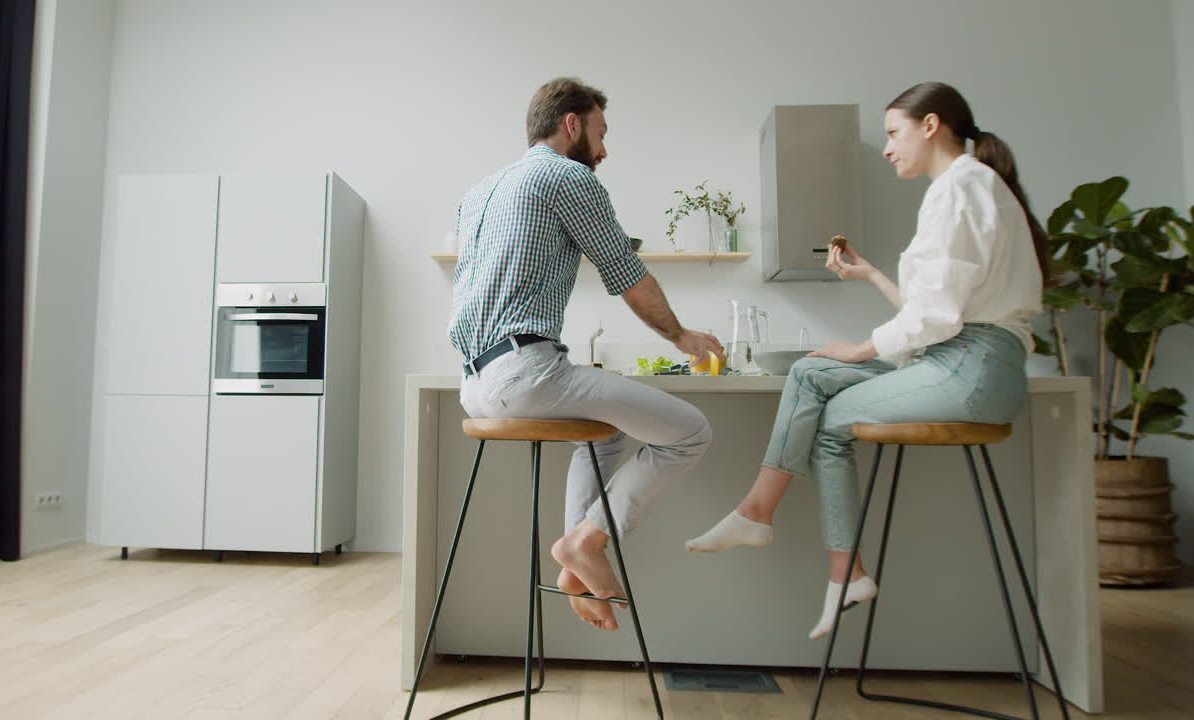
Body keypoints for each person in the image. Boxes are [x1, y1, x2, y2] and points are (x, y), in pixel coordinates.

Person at [686, 81, 1049, 640]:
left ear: (930, 126)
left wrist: (859, 348)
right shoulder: (973, 185)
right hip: (963, 360)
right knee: (812, 377)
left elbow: (939, 316)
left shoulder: (959, 186)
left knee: (827, 415)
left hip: (970, 367)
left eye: (893, 133)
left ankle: (780, 529)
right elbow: (940, 309)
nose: (886, 148)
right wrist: (874, 275)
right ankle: (818, 556)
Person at [449, 77, 725, 632]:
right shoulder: (567, 176)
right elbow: (626, 274)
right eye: (600, 133)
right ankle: (584, 543)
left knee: (605, 432)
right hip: (525, 371)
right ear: (571, 124)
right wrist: (683, 338)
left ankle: (578, 556)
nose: (604, 150)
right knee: (691, 433)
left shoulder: (479, 191)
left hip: (475, 384)